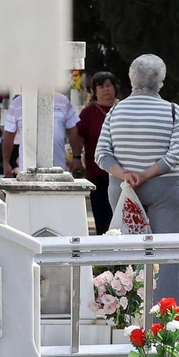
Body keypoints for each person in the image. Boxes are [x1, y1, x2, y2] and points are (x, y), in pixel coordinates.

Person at [96, 54, 179, 305]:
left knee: (127, 250)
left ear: (131, 79)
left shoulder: (115, 111)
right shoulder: (172, 111)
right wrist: (147, 174)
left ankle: (125, 309)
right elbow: (177, 152)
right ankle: (167, 311)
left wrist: (125, 175)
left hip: (123, 188)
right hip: (164, 187)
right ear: (161, 81)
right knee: (166, 251)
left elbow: (101, 153)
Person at [1, 89, 85, 176]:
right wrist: (6, 162)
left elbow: (72, 131)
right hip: (28, 170)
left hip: (58, 169)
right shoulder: (17, 104)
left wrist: (76, 157)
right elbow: (8, 137)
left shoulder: (63, 101)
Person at [77, 72, 119, 235]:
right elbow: (78, 138)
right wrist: (75, 158)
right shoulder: (88, 113)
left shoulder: (123, 108)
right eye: (101, 87)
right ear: (94, 91)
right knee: (103, 218)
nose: (106, 90)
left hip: (124, 172)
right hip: (98, 172)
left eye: (109, 85)